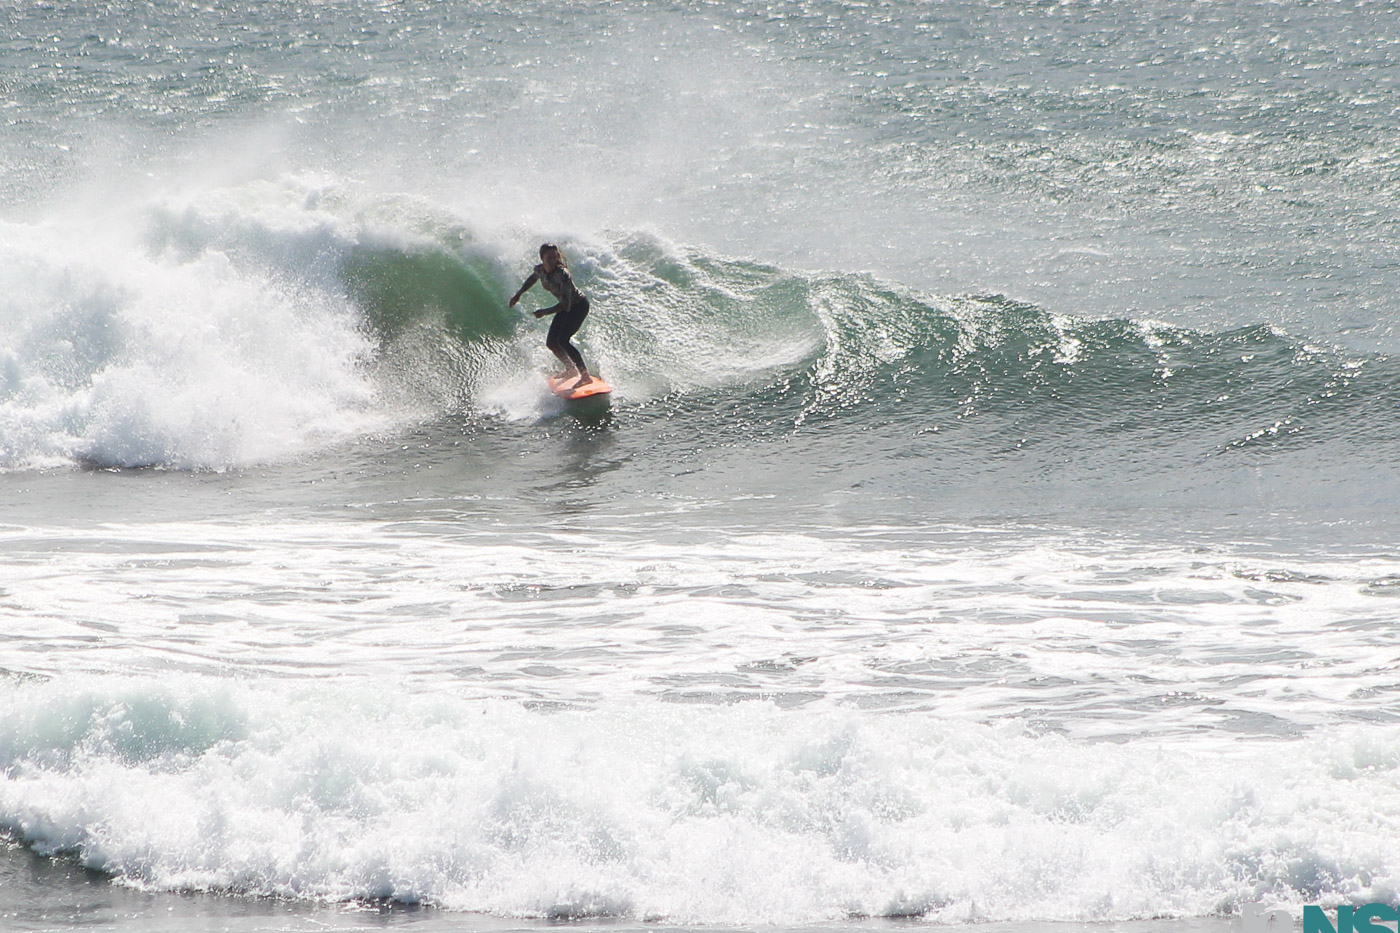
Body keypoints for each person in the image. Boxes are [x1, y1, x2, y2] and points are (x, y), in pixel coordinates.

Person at [508, 242, 593, 386]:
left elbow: (567, 303)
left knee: (563, 340)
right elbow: (532, 279)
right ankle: (570, 369)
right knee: (551, 342)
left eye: (555, 257)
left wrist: (545, 312)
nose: (553, 261)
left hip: (577, 306)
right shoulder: (541, 270)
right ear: (542, 259)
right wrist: (519, 294)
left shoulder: (562, 275)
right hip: (565, 308)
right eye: (549, 258)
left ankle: (585, 375)